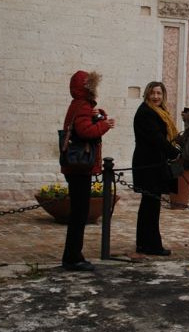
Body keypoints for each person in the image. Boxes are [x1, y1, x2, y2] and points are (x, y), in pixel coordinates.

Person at [61, 70, 115, 271]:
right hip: (79, 167)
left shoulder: (79, 105)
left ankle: (73, 255)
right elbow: (85, 131)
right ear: (87, 87)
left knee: (78, 212)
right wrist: (105, 125)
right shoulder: (83, 105)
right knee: (79, 213)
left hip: (75, 166)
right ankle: (73, 258)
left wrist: (100, 116)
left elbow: (87, 122)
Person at [132, 81, 181, 256]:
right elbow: (157, 139)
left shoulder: (160, 112)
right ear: (147, 94)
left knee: (151, 205)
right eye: (153, 93)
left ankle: (145, 243)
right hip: (148, 164)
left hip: (155, 163)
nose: (156, 97)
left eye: (159, 93)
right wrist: (176, 153)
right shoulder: (146, 112)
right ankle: (151, 245)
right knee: (150, 205)